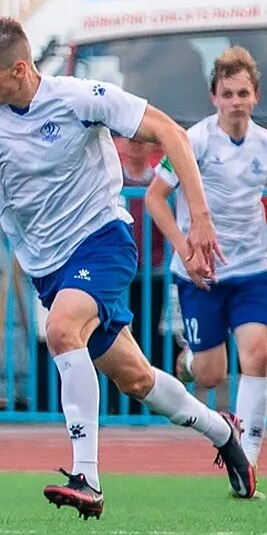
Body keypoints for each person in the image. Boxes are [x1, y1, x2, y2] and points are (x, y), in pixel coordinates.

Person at [0, 17, 254, 518]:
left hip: (102, 239)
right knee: (137, 380)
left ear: (18, 69)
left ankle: (88, 478)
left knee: (61, 330)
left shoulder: (80, 98)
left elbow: (170, 132)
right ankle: (222, 431)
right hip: (46, 264)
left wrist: (201, 219)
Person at [145, 47, 267, 467]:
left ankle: (248, 452)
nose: (236, 102)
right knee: (211, 374)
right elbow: (155, 199)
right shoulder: (193, 141)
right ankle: (189, 360)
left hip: (253, 268)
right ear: (214, 97)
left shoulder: (264, 145)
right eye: (227, 93)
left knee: (258, 353)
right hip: (202, 274)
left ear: (256, 96)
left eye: (243, 93)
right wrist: (185, 249)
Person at [116, 135, 169, 385]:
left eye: (140, 141)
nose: (135, 146)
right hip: (118, 271)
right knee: (116, 336)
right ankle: (116, 402)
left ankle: (149, 399)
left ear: (150, 145)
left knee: (150, 335)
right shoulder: (113, 179)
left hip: (153, 269)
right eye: (131, 141)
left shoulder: (160, 182)